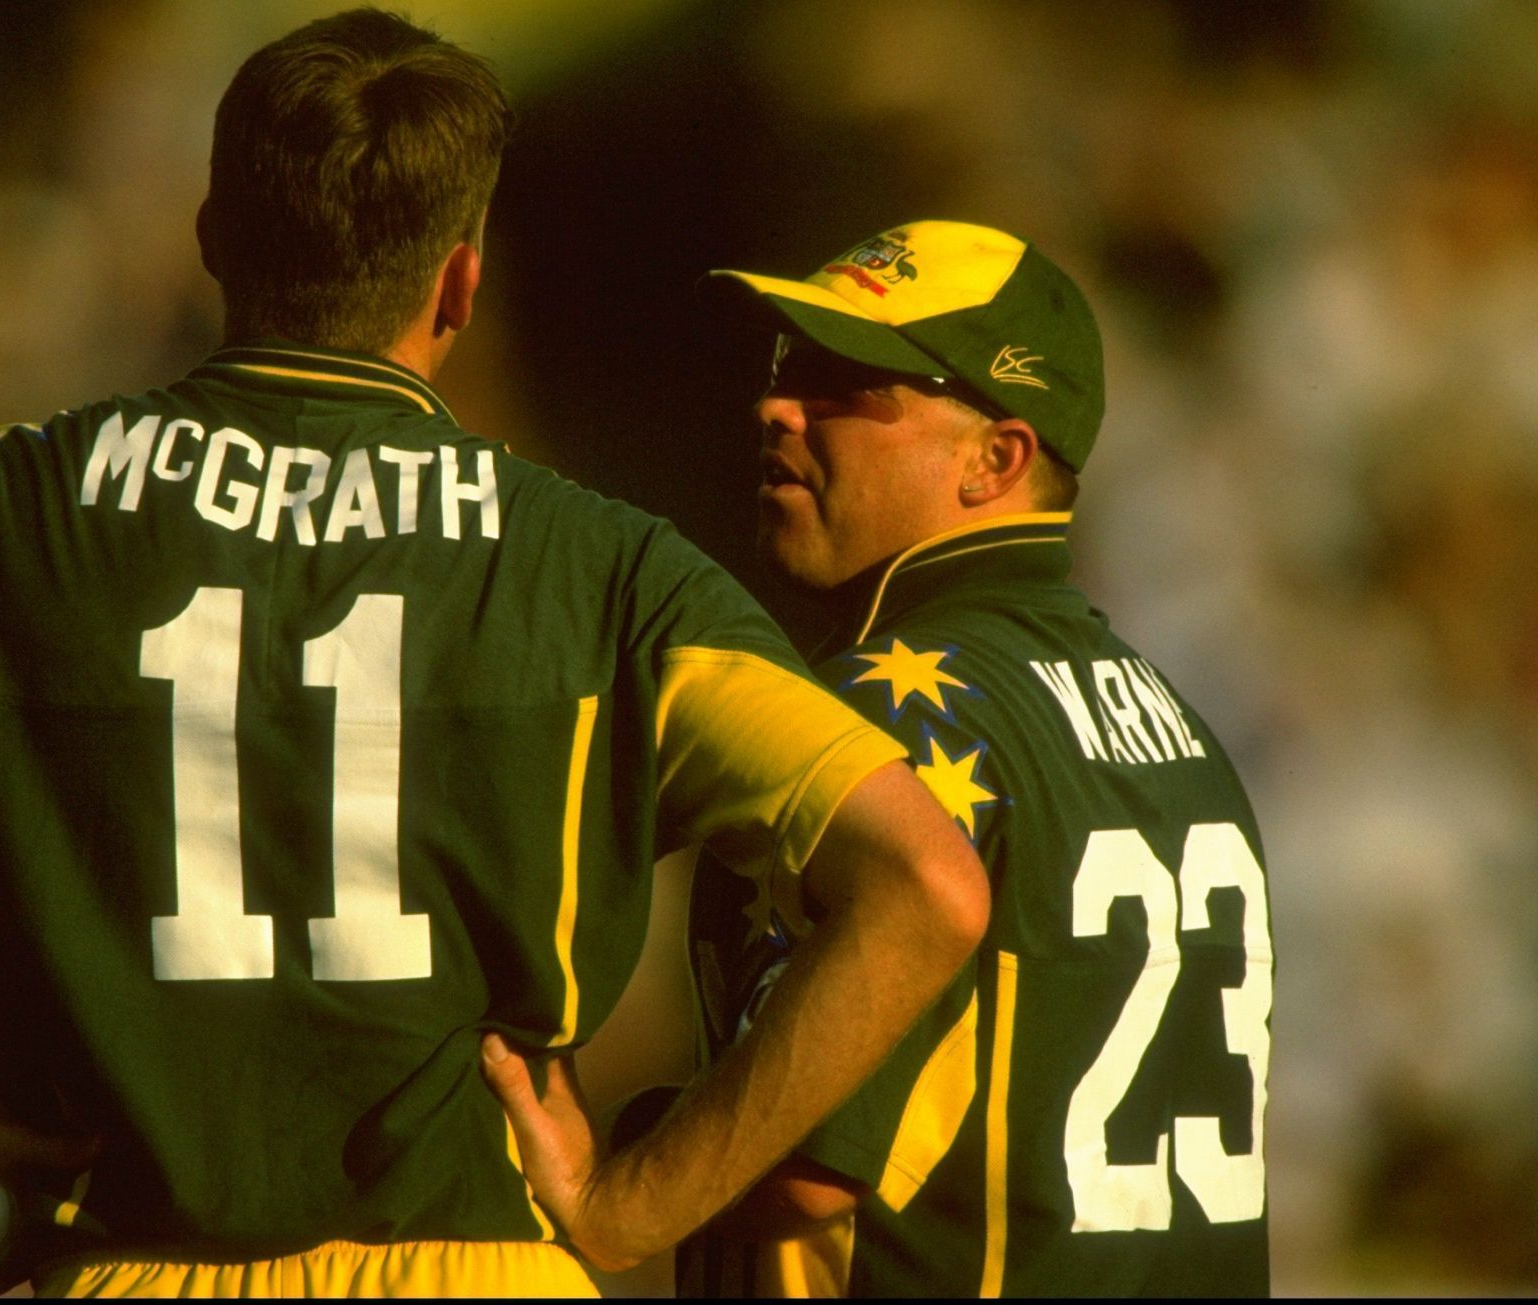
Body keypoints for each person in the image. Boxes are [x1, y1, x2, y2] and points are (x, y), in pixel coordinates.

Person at [0, 13, 988, 1300]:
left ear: (213, 235)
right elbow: (925, 885)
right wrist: (641, 1203)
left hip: (127, 1258)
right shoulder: (604, 567)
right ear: (460, 281)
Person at [490, 220, 1272, 1296]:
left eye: (848, 383)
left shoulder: (885, 717)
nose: (777, 406)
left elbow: (805, 1168)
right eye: (785, 369)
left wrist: (621, 1180)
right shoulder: (1180, 725)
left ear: (996, 458)